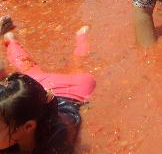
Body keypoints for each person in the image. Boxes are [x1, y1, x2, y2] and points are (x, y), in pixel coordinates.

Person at [0, 22, 95, 153]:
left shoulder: (57, 139)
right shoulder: (10, 132)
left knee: (79, 65)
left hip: (71, 92)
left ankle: (81, 36)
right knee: (25, 65)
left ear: (28, 127)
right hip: (36, 88)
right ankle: (10, 38)